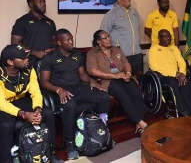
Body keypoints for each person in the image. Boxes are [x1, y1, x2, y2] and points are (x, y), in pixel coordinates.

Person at [40, 29, 111, 160]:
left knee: (104, 97)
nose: (71, 41)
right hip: (60, 91)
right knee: (70, 105)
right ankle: (70, 143)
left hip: (78, 87)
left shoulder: (76, 54)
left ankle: (102, 132)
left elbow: (82, 74)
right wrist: (58, 90)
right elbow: (44, 82)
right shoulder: (50, 58)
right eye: (67, 40)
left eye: (71, 38)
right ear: (59, 42)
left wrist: (91, 81)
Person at [0, 44, 63, 163]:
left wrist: (37, 110)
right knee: (6, 125)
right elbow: (1, 103)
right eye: (22, 58)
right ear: (10, 61)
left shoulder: (29, 70)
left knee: (48, 113)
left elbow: (35, 92)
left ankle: (51, 153)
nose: (27, 59)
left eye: (27, 57)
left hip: (21, 100)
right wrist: (24, 114)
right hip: (4, 104)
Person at [86, 30, 148, 136]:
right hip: (108, 81)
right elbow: (93, 71)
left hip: (123, 77)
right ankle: (140, 122)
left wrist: (128, 73)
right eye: (105, 38)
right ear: (98, 41)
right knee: (123, 94)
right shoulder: (92, 53)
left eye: (109, 36)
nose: (109, 39)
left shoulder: (116, 50)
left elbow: (126, 63)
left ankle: (138, 126)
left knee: (136, 91)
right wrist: (115, 75)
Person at [149, 29, 191, 117]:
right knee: (173, 83)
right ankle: (182, 110)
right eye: (165, 37)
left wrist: (182, 74)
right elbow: (154, 66)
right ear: (159, 38)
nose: (168, 38)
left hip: (177, 75)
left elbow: (181, 62)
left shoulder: (174, 48)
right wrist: (174, 73)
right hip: (164, 76)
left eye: (169, 36)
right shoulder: (154, 49)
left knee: (186, 83)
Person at [100, 0, 143, 81]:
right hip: (121, 55)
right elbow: (103, 33)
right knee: (124, 82)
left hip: (137, 54)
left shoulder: (135, 12)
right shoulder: (112, 14)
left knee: (138, 80)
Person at [11, 0, 56, 76]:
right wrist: (36, 53)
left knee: (47, 86)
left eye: (44, 2)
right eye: (40, 2)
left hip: (48, 62)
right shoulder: (22, 21)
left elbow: (55, 41)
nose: (44, 4)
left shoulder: (50, 22)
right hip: (29, 62)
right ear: (31, 4)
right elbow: (15, 43)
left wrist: (52, 50)